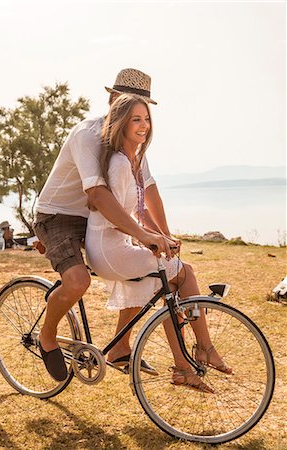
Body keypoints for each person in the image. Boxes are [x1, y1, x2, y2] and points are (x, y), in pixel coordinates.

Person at [33, 68, 178, 381]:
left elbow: (147, 188)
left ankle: (120, 349)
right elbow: (97, 194)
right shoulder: (87, 135)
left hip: (94, 217)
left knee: (144, 269)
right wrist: (142, 233)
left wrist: (164, 235)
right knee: (77, 282)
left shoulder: (131, 141)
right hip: (58, 215)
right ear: (114, 99)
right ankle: (46, 338)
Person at [86, 94, 232, 393]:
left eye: (146, 119)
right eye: (135, 119)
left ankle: (182, 364)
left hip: (121, 244)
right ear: (121, 124)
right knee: (184, 273)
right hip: (108, 248)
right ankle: (202, 348)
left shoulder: (134, 161)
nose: (144, 125)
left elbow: (140, 210)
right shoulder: (118, 163)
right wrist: (147, 237)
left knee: (171, 284)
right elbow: (111, 213)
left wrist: (162, 236)